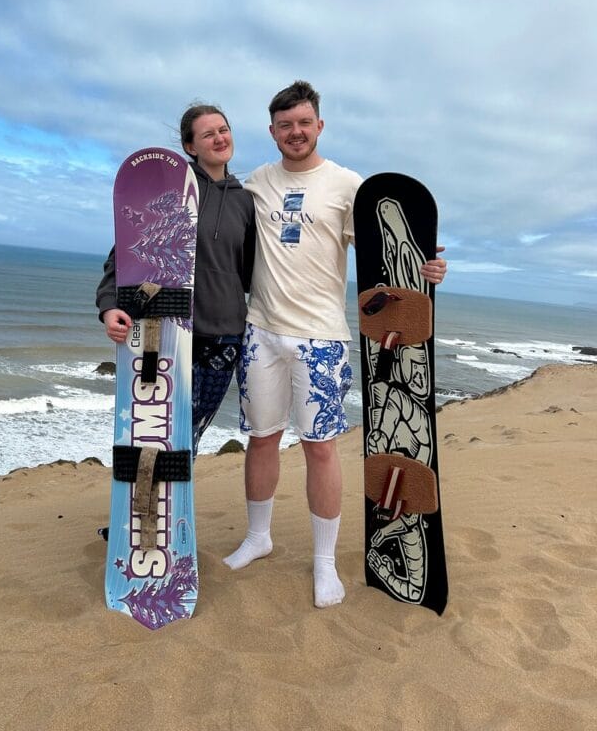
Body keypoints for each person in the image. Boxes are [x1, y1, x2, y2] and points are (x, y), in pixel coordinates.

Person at [223, 80, 446, 608]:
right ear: (272, 130)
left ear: (319, 125)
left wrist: (429, 268)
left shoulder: (349, 186)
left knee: (320, 448)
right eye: (284, 125)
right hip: (261, 333)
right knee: (261, 438)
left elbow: (388, 251)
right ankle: (259, 537)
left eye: (304, 123)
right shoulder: (256, 182)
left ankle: (325, 562)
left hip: (321, 338)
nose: (295, 132)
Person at [96, 104, 255, 457]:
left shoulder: (246, 201)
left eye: (223, 130)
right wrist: (109, 307)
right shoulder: (171, 193)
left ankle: (176, 510)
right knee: (159, 431)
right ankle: (144, 508)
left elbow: (250, 273)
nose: (219, 138)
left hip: (225, 338)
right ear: (190, 147)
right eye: (208, 133)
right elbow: (124, 253)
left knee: (189, 438)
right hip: (172, 330)